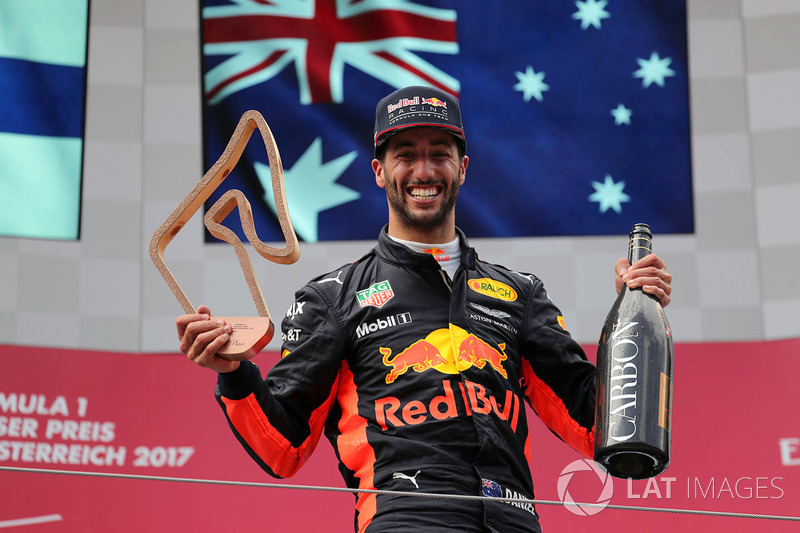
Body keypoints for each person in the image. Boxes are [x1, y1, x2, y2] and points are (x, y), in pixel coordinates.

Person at [176, 86, 672, 533]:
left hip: (513, 522)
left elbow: (599, 428)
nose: (424, 171)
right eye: (405, 155)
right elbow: (281, 447)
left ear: (463, 167)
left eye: (440, 154)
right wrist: (234, 374)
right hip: (407, 520)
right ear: (379, 171)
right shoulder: (333, 298)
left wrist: (629, 324)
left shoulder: (520, 294)